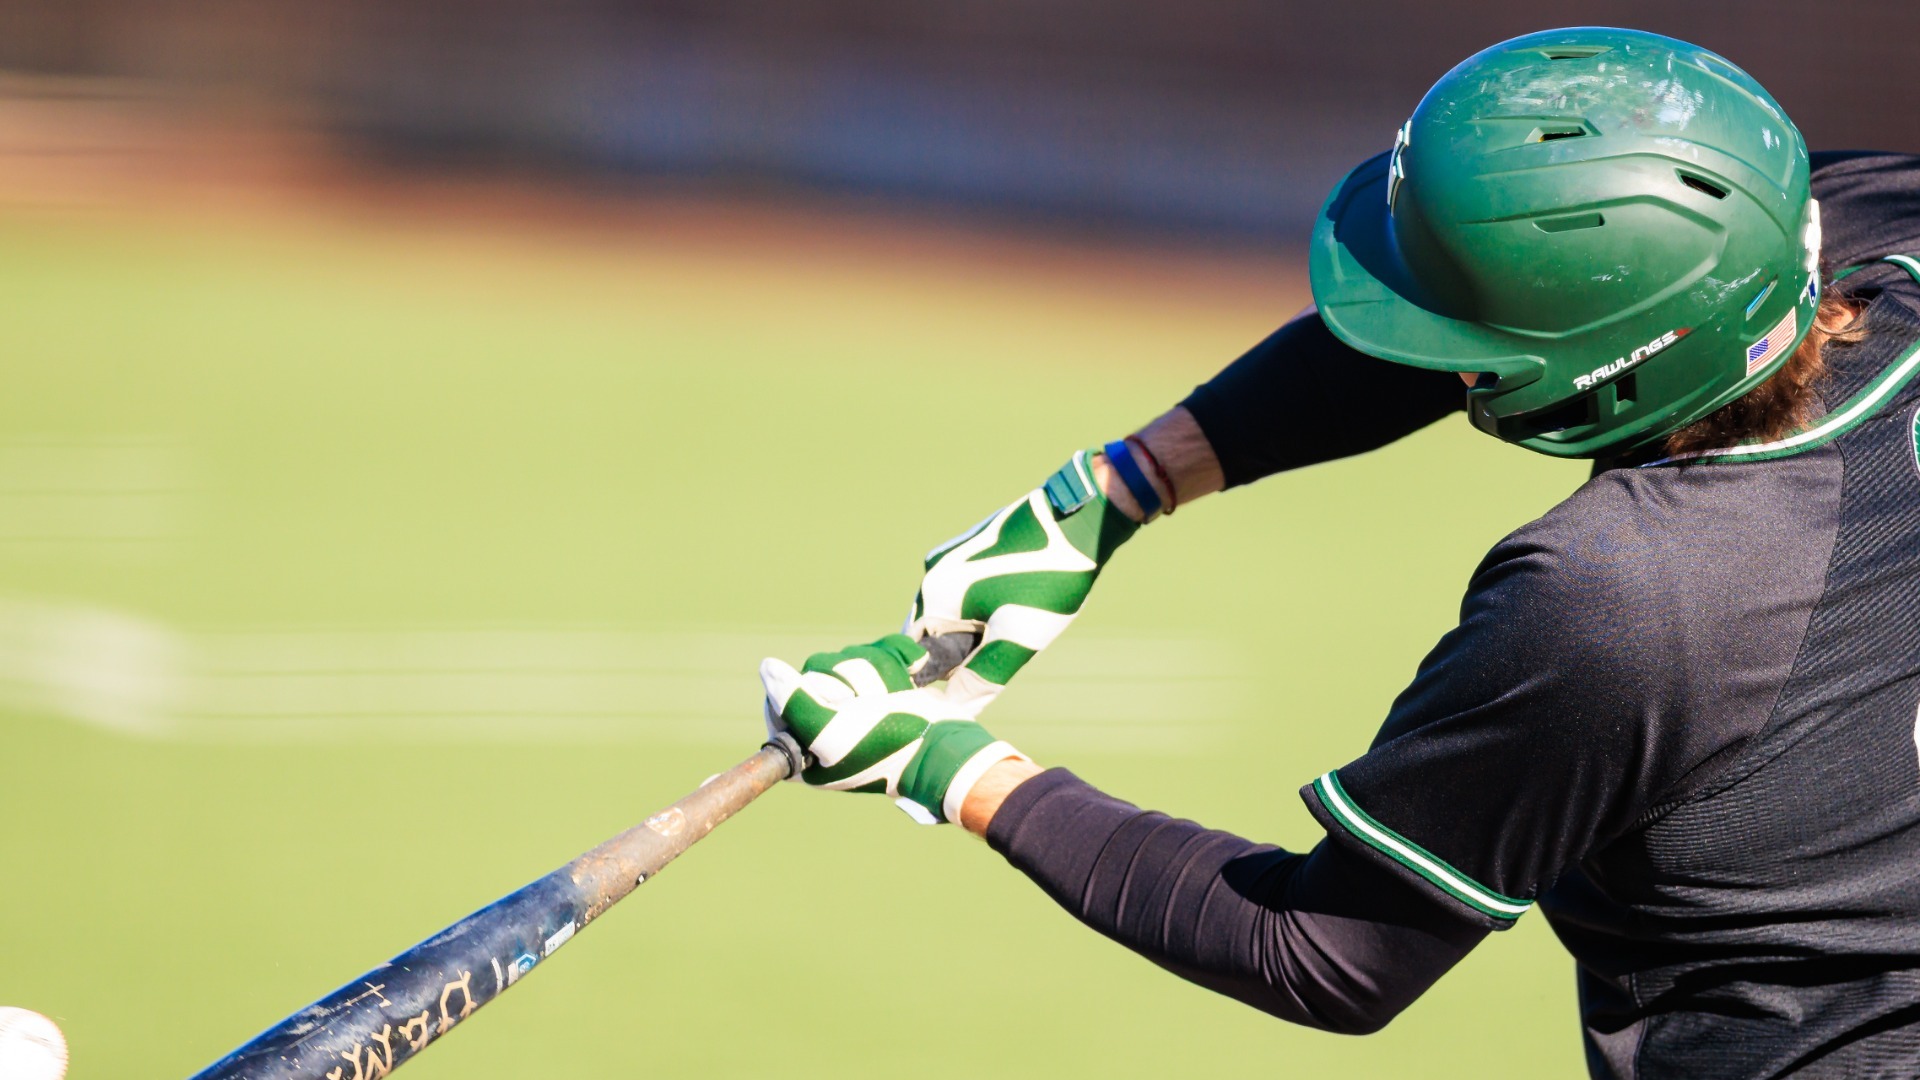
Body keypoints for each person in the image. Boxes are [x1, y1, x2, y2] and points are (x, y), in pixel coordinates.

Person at [757, 27, 1920, 1079]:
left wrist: (952, 768)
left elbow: (1323, 949)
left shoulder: (1627, 599)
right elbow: (1622, 282)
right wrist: (1115, 490)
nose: (1449, 367)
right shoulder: (1875, 243)